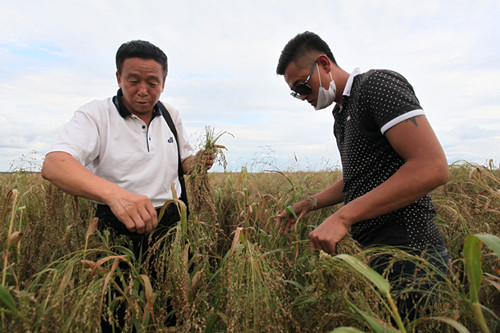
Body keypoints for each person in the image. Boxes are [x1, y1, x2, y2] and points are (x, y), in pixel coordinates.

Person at [275, 31, 450, 322]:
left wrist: (342, 217)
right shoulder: (340, 116)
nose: (302, 97)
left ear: (324, 63)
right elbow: (359, 178)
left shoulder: (376, 86)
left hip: (411, 256)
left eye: (303, 87)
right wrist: (310, 203)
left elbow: (431, 166)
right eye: (296, 93)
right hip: (376, 254)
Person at [41, 40, 213, 329]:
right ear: (118, 77)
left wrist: (199, 163)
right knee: (118, 312)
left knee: (174, 306)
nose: (143, 90)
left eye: (152, 82)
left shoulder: (170, 114)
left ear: (164, 82)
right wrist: (115, 195)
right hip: (116, 226)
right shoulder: (95, 115)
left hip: (171, 224)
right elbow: (54, 164)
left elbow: (184, 162)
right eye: (133, 80)